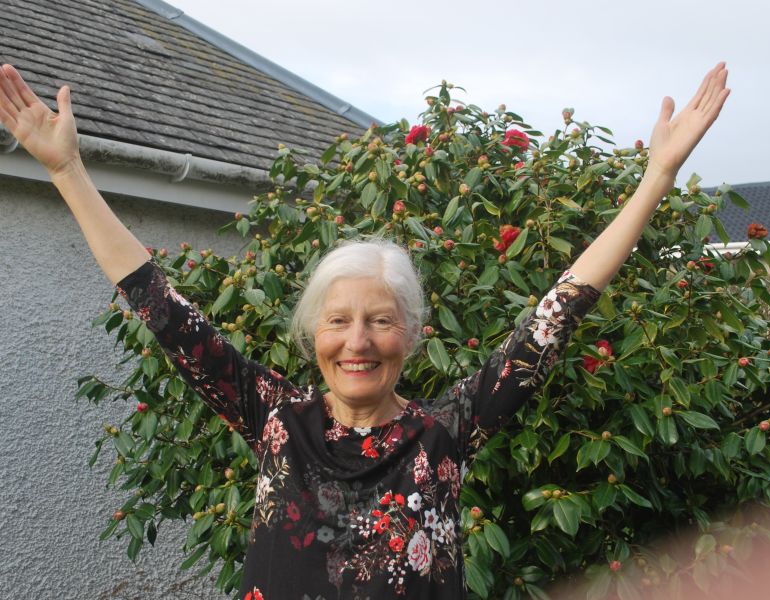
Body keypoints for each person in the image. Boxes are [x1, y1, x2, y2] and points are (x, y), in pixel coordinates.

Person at [0, 62, 729, 599]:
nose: (358, 342)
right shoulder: (276, 420)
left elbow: (556, 314)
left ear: (410, 336)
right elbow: (158, 305)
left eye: (381, 322)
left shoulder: (446, 431)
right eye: (340, 322)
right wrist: (67, 172)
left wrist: (655, 176)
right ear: (315, 333)